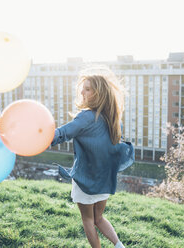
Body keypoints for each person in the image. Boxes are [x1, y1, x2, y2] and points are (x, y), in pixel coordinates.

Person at [51, 66, 134, 248]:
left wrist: (40, 136)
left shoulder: (86, 117)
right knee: (99, 218)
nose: (82, 91)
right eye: (83, 87)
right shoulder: (113, 119)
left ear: (99, 94)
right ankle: (119, 245)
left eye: (87, 89)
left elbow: (62, 133)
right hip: (104, 179)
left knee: (88, 220)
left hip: (86, 179)